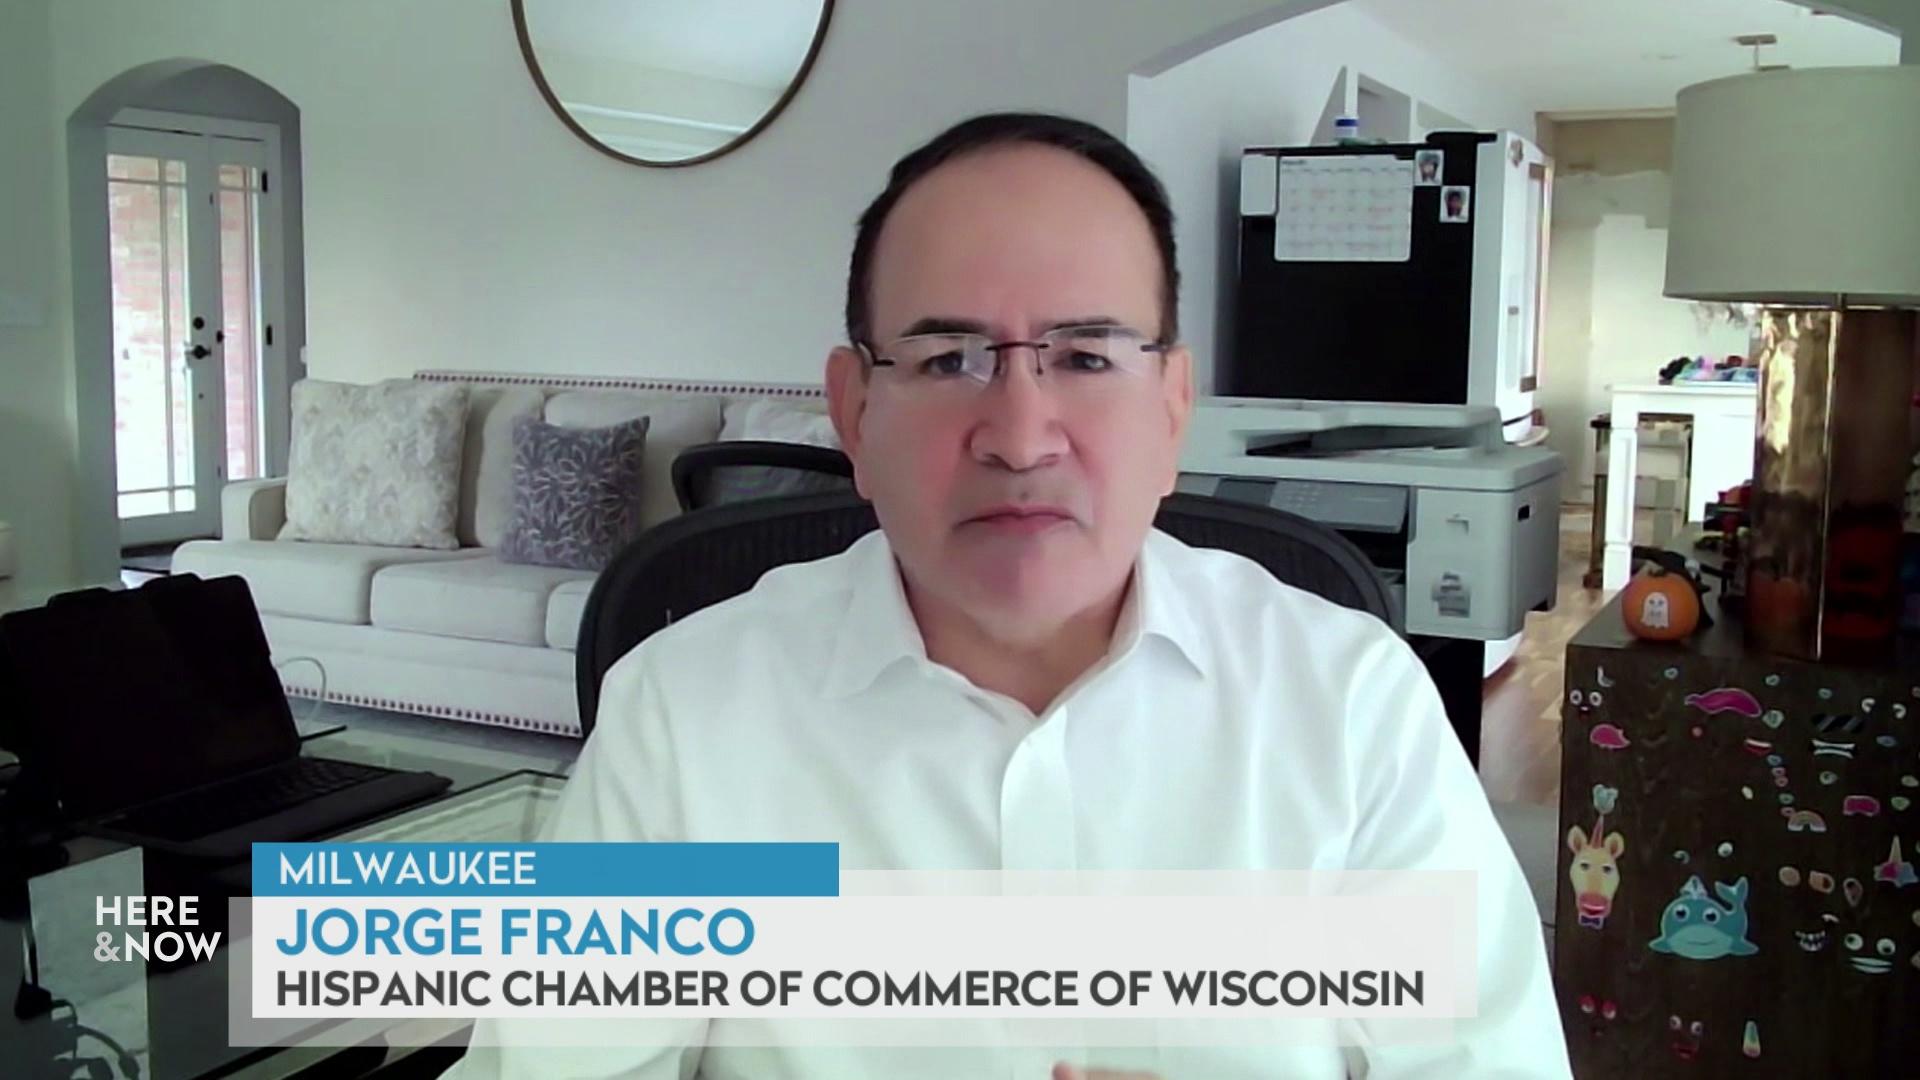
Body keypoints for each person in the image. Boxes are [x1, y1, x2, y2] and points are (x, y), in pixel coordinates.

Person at [454, 112, 1569, 1079]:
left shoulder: (1351, 706)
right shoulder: (685, 715)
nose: (1023, 437)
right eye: (948, 360)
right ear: (853, 415)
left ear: (1173, 407)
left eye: (1086, 358)